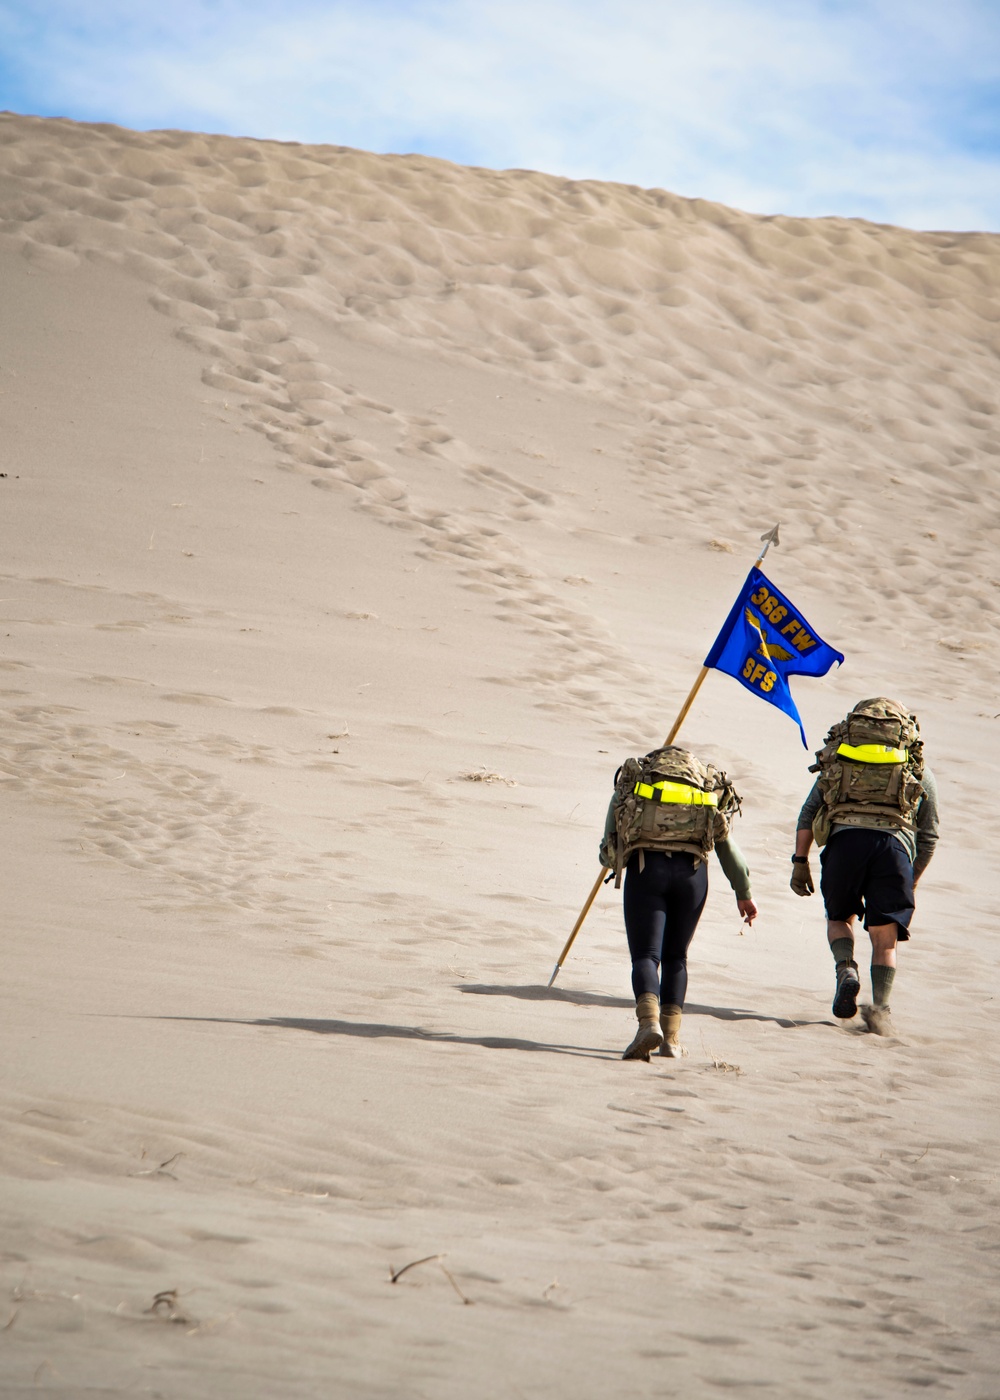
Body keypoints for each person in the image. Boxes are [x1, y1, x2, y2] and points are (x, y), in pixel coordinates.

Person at [790, 697, 939, 1035]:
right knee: (884, 940)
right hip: (894, 851)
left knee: (840, 918)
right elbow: (929, 835)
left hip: (845, 846)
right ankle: (880, 1011)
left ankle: (846, 969)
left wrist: (800, 862)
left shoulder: (839, 757)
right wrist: (910, 879)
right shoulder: (916, 767)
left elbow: (808, 812)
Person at [600, 744, 757, 1061]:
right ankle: (671, 1039)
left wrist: (610, 859)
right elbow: (728, 848)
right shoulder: (703, 790)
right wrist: (744, 892)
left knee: (646, 955)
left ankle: (648, 1025)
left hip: (647, 869)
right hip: (693, 876)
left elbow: (611, 835)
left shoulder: (638, 781)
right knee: (677, 958)